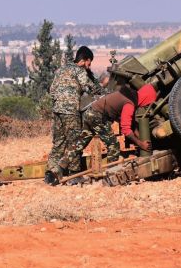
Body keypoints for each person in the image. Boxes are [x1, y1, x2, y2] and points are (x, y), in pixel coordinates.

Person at [44, 45, 102, 185]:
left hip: (57, 110)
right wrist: (100, 90)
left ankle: (50, 173)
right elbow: (88, 86)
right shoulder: (79, 70)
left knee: (59, 142)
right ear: (85, 60)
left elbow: (52, 90)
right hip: (70, 111)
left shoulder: (62, 69)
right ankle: (74, 176)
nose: (89, 66)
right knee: (75, 142)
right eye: (89, 62)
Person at [74, 84, 156, 166]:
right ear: (146, 98)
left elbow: (131, 124)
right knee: (113, 145)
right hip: (97, 116)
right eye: (148, 103)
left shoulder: (130, 97)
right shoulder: (129, 104)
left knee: (80, 143)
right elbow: (126, 130)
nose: (146, 106)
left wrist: (141, 139)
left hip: (91, 112)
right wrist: (140, 144)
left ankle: (61, 166)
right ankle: (111, 172)